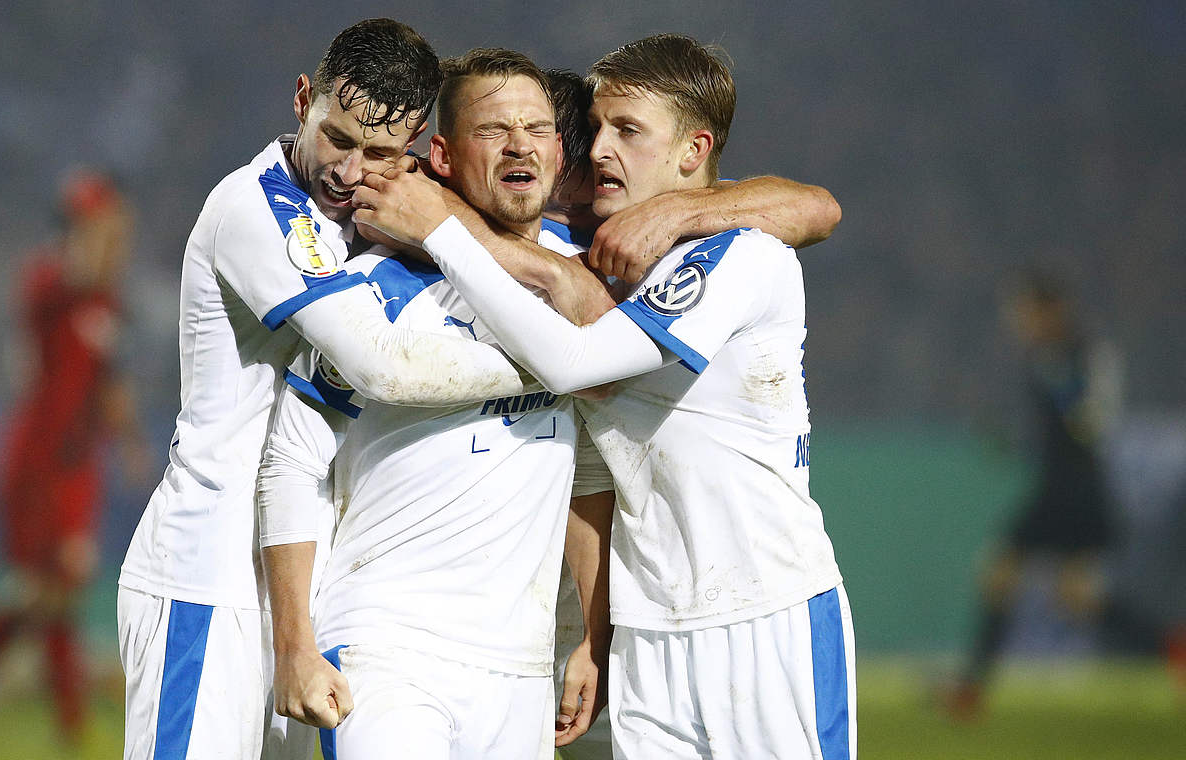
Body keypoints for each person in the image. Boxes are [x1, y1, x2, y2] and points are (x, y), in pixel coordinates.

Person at [356, 34, 855, 760]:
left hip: (763, 610)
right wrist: (595, 637)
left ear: (693, 150)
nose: (597, 151)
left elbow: (580, 362)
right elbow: (596, 464)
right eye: (595, 131)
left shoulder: (740, 254)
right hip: (652, 627)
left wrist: (444, 231)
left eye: (626, 131)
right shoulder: (609, 256)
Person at [114, 20, 538, 760]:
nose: (349, 170)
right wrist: (553, 370)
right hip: (207, 579)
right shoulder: (256, 208)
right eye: (337, 138)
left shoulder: (372, 219)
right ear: (303, 100)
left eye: (379, 154)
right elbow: (381, 366)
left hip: (300, 588)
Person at [0, 168, 147, 746]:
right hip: (38, 456)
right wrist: (110, 231)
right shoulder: (48, 279)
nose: (111, 235)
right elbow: (82, 273)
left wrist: (127, 442)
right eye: (97, 224)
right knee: (50, 585)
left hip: (77, 459)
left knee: (49, 588)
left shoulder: (101, 298)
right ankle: (61, 720)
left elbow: (107, 378)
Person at [943, 269, 1123, 718]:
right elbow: (1056, 430)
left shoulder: (1078, 353)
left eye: (1025, 310)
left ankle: (971, 688)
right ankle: (1171, 644)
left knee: (1002, 573)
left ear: (1050, 310)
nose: (1017, 320)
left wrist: (1061, 387)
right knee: (1078, 597)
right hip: (1066, 485)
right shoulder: (1047, 355)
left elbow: (1090, 423)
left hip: (1073, 489)